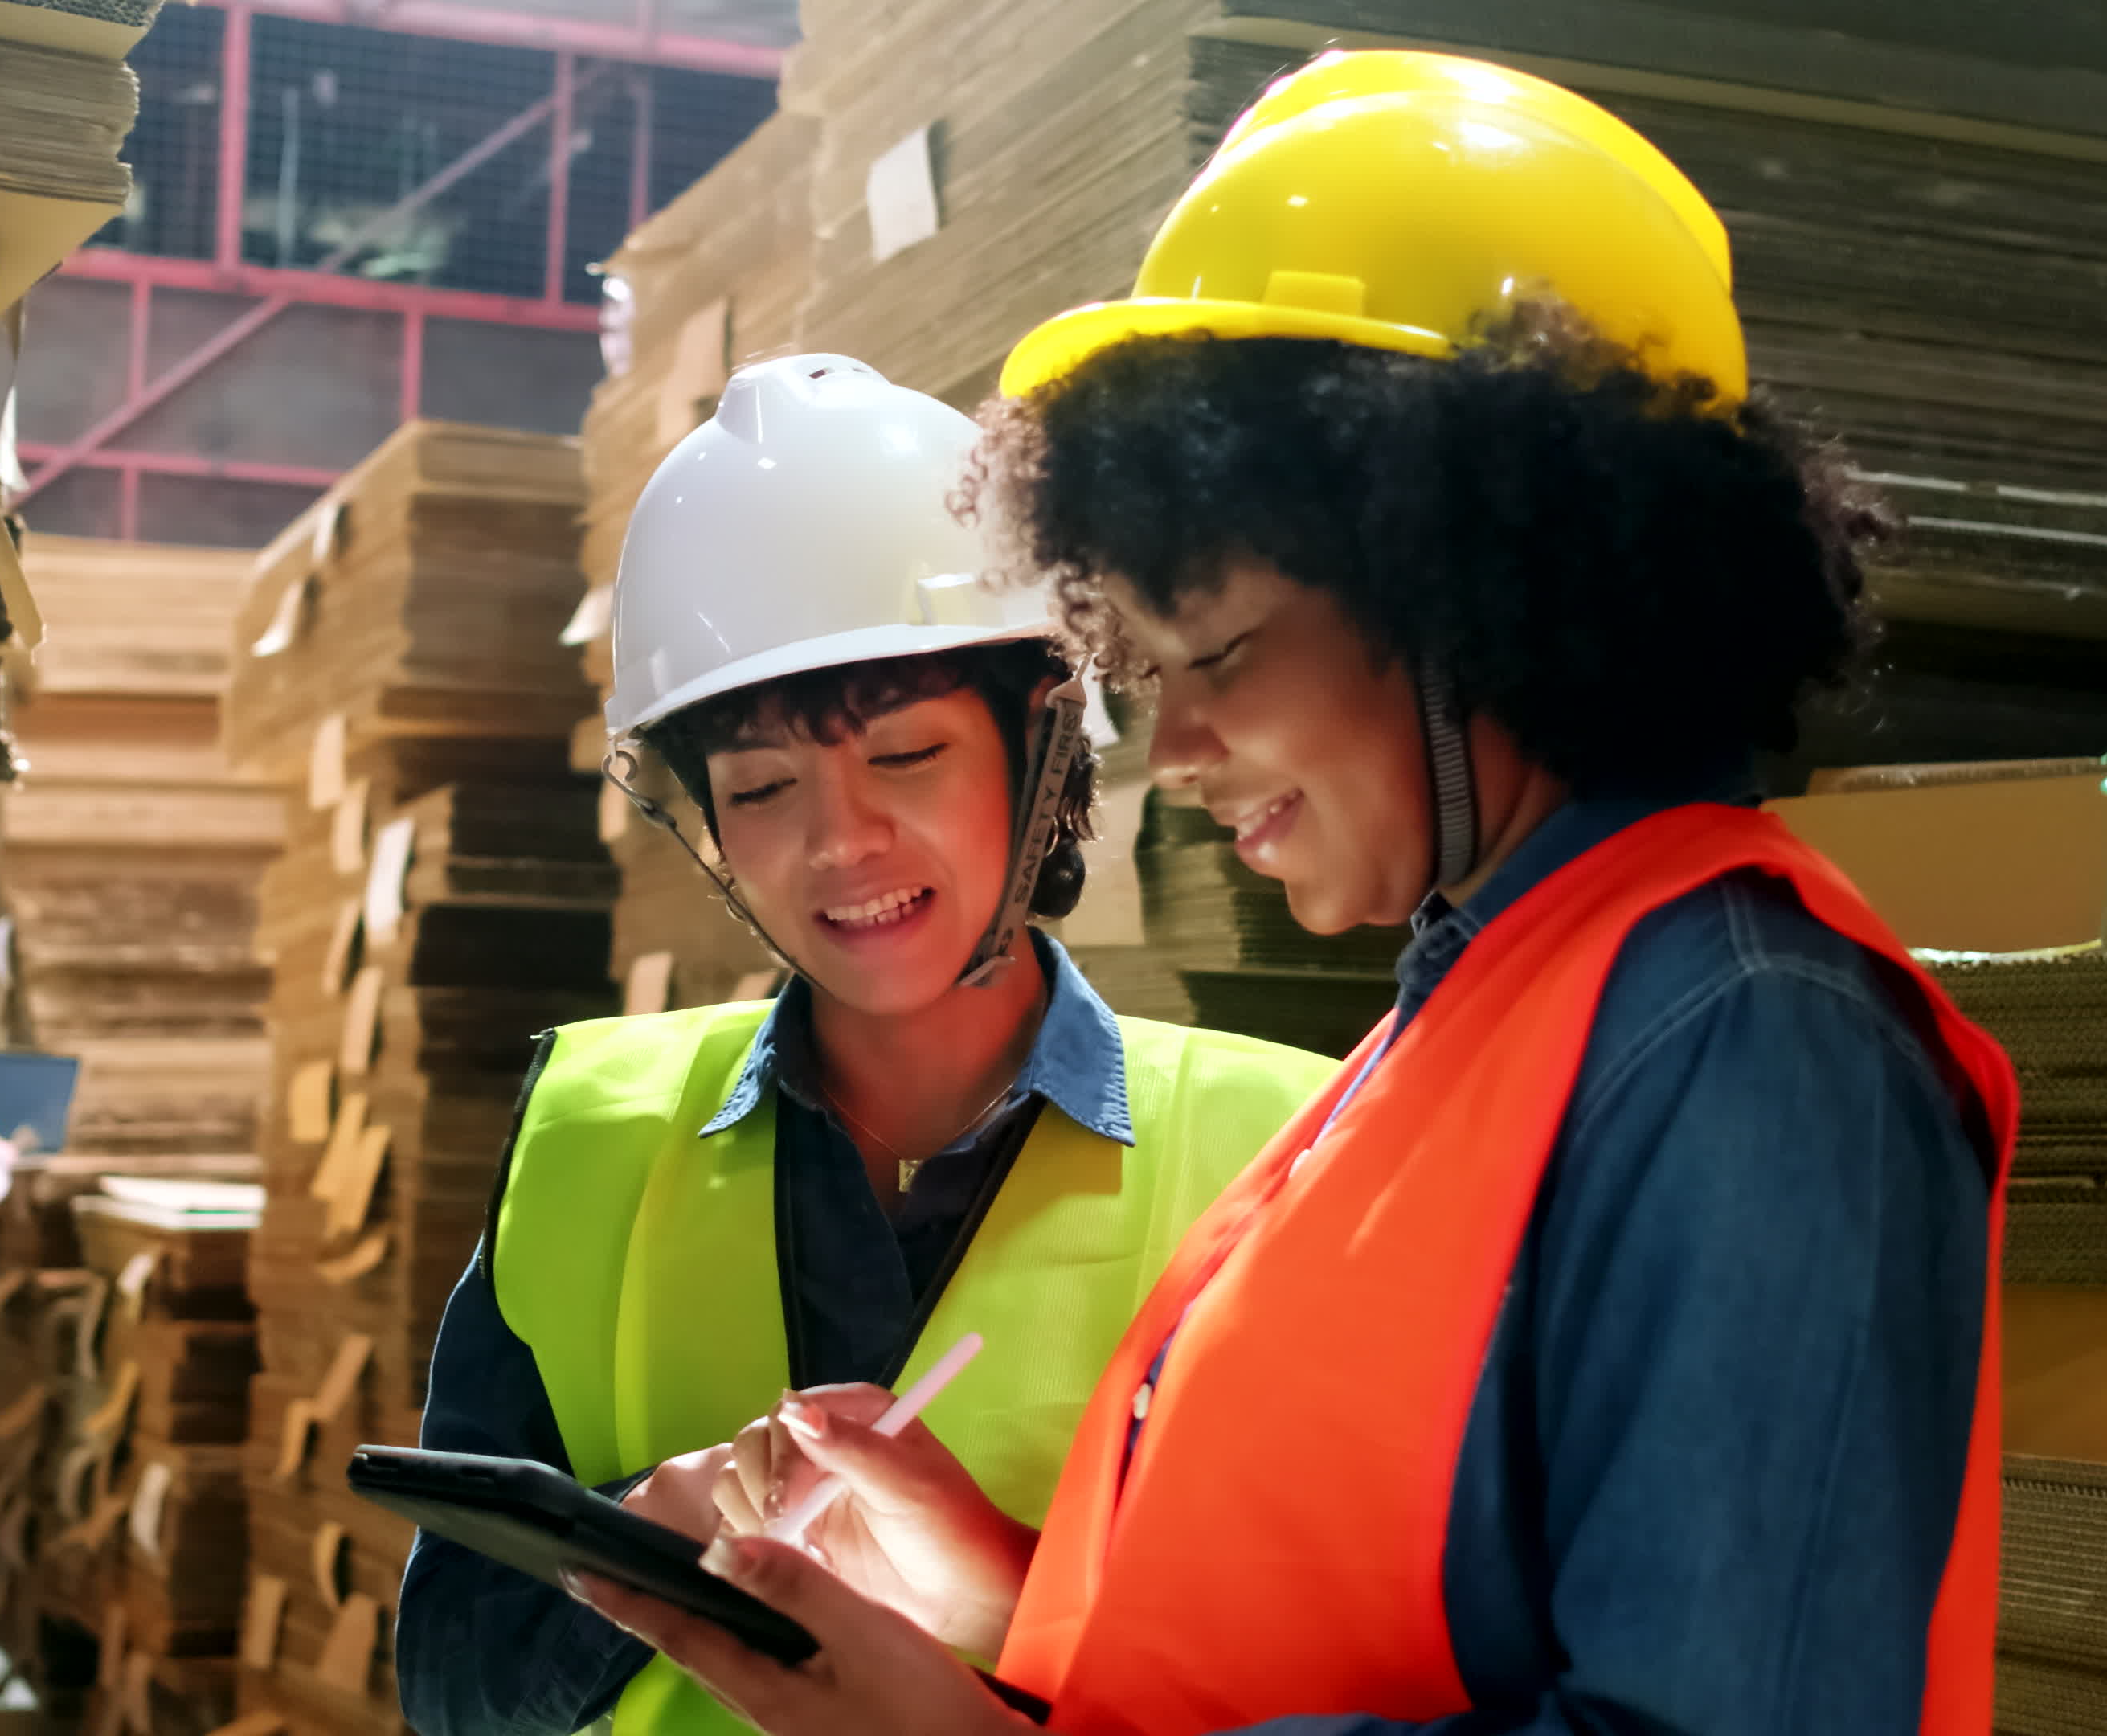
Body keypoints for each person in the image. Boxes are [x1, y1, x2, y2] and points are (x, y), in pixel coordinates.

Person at [571, 51, 2021, 1736]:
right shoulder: (1480, 1016)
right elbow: (1358, 1624)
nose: (1172, 743)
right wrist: (1002, 1583)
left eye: (1228, 652)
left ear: (1483, 589)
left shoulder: (1749, 1050)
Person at [395, 352, 1340, 1736]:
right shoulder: (587, 1138)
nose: (841, 844)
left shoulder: (1285, 1151)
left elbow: (1332, 1676)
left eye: (906, 757)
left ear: (1042, 751)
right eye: (763, 787)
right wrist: (657, 1525)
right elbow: (452, 1691)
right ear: (705, 822)